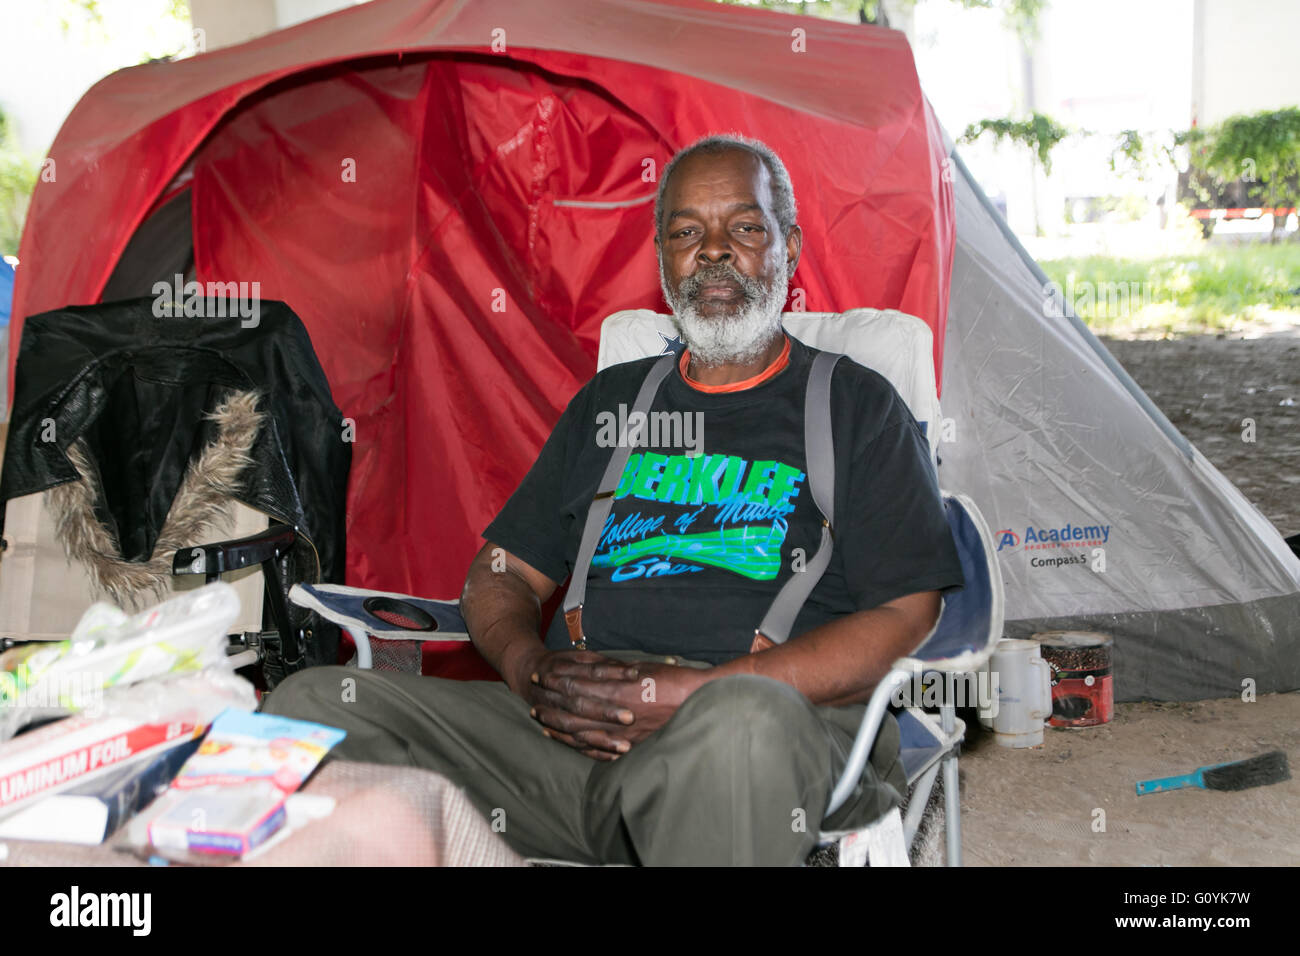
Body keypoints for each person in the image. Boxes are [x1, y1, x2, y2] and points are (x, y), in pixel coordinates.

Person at [262, 133, 965, 865]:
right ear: (663, 257)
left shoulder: (858, 405)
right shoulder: (611, 403)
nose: (714, 250)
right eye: (687, 231)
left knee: (743, 730)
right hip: (566, 734)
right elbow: (501, 573)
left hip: (757, 725)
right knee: (307, 710)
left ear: (787, 248)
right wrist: (528, 669)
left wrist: (693, 693)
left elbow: (908, 610)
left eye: (745, 228)